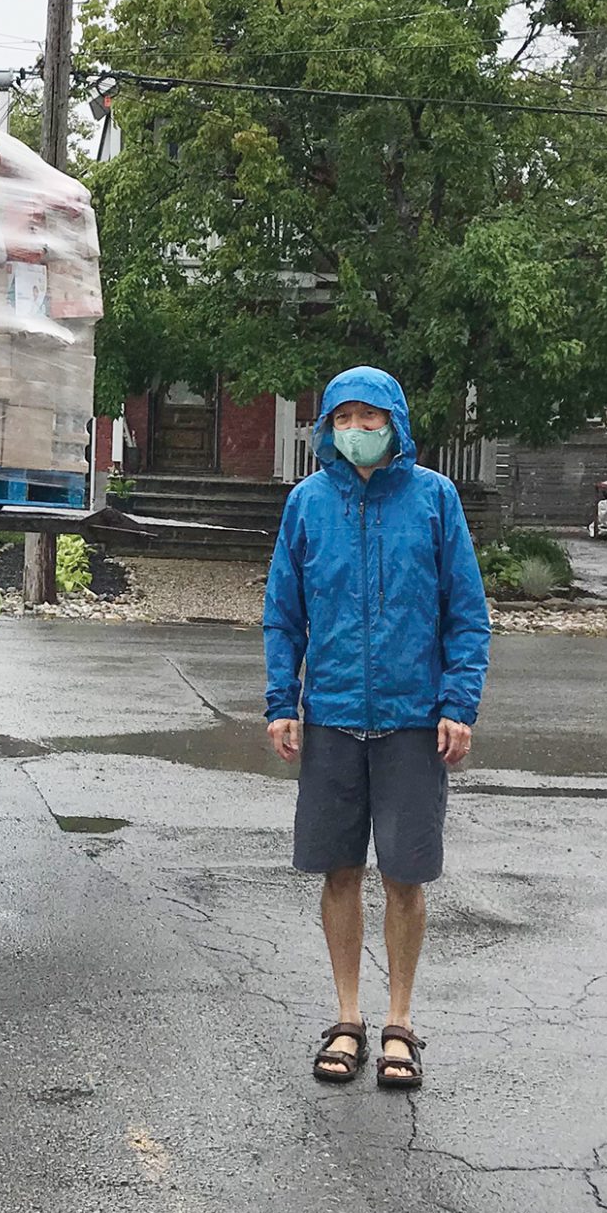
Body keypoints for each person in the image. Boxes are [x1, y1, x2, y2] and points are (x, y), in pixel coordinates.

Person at [263, 366, 489, 1092]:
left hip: (412, 722)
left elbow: (467, 611)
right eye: (345, 418)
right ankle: (348, 1017)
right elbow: (283, 611)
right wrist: (280, 700)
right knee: (339, 870)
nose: (358, 430)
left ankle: (400, 1022)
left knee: (405, 876)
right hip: (330, 716)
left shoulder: (434, 500)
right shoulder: (308, 503)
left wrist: (458, 702)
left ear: (394, 421)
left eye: (371, 417)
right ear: (326, 426)